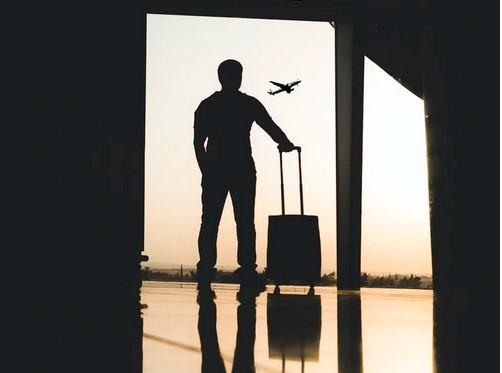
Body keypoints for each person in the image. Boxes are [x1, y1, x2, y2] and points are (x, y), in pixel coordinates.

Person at [194, 59, 295, 295]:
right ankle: (247, 269)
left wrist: (206, 170)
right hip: (242, 169)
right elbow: (269, 126)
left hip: (216, 170)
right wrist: (285, 143)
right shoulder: (247, 104)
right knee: (245, 222)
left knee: (210, 222)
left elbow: (198, 143)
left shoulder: (208, 106)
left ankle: (206, 268)